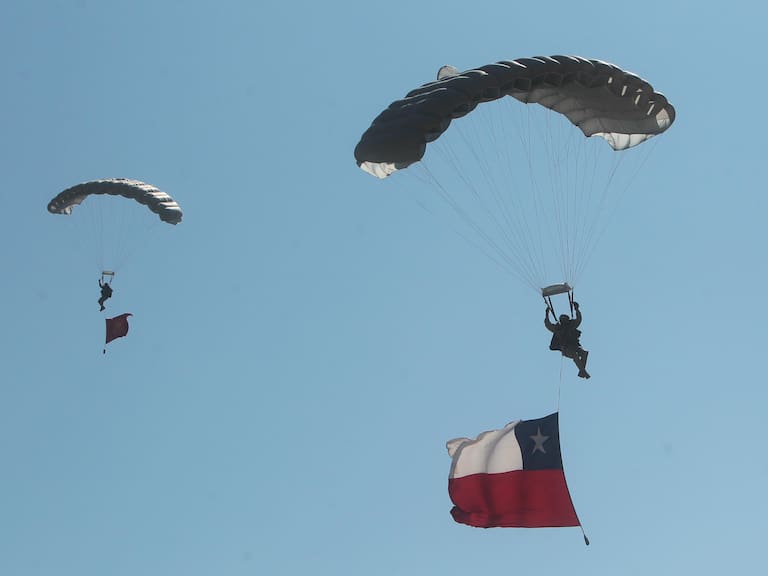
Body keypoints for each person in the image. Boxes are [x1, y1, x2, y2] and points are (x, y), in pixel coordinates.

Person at [545, 301, 590, 379]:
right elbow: (548, 324)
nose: (564, 320)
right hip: (566, 348)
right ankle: (583, 371)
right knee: (574, 355)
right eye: (562, 319)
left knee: (584, 353)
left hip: (575, 346)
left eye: (565, 319)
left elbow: (579, 320)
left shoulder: (571, 325)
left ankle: (582, 371)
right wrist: (547, 314)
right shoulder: (558, 328)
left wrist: (577, 309)